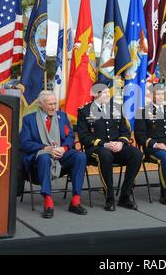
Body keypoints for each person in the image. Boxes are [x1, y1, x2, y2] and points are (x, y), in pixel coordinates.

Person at [20, 91, 88, 219]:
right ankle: (48, 201)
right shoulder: (29, 119)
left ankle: (75, 200)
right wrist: (45, 148)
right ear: (41, 104)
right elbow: (25, 143)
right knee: (44, 157)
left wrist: (64, 148)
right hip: (39, 157)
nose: (53, 107)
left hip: (61, 154)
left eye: (55, 103)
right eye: (50, 104)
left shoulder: (62, 117)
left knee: (80, 156)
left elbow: (70, 136)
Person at [77, 83, 143, 211]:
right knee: (105, 155)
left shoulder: (117, 108)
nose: (108, 95)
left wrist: (121, 142)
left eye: (109, 92)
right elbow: (84, 137)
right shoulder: (84, 111)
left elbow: (125, 131)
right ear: (96, 94)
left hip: (117, 147)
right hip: (96, 149)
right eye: (105, 92)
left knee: (136, 154)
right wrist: (105, 144)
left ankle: (125, 195)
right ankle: (110, 197)